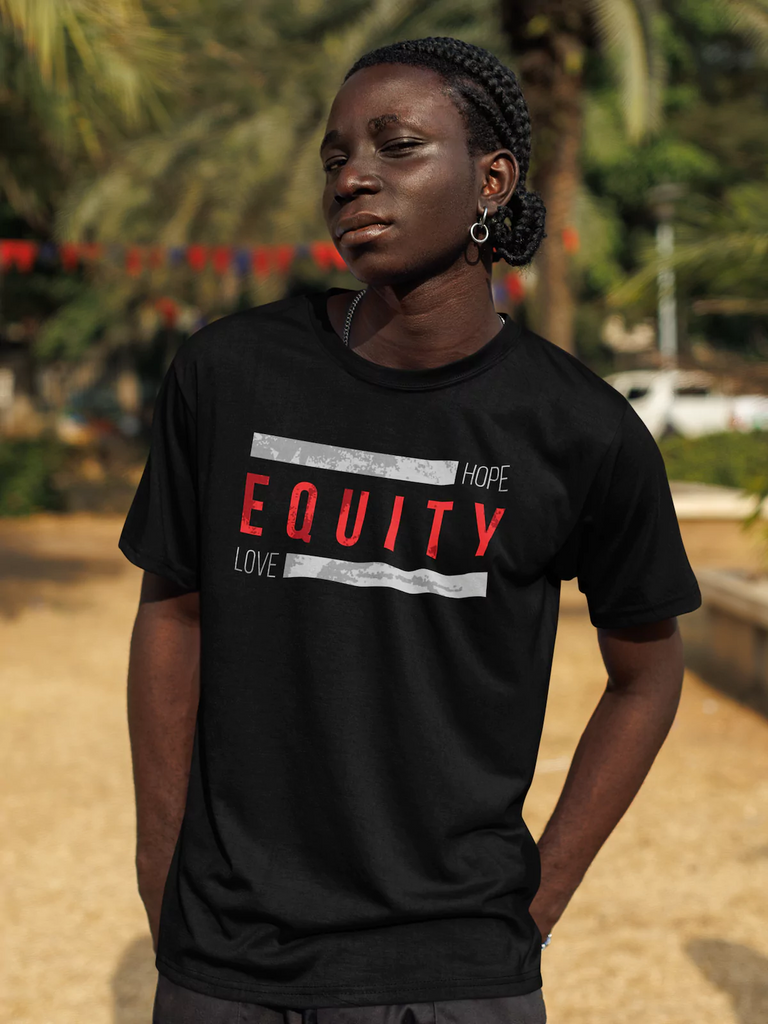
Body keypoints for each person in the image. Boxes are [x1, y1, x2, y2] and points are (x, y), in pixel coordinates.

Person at [119, 36, 702, 1024]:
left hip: (454, 974)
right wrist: (159, 860)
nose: (353, 177)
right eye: (336, 157)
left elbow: (646, 675)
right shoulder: (230, 375)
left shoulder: (579, 430)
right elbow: (173, 614)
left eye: (397, 146)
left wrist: (541, 894)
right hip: (227, 963)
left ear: (492, 180)